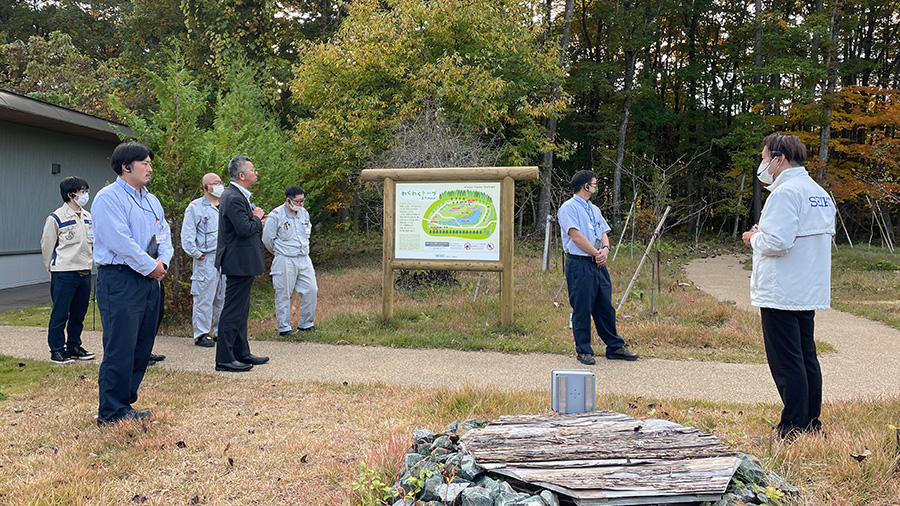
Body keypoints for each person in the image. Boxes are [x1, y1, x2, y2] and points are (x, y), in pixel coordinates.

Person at [742, 133, 835, 442]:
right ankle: (811, 422)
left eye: (765, 157)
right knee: (806, 356)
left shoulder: (785, 193)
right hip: (807, 287)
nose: (763, 163)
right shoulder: (817, 192)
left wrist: (753, 237)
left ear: (779, 159)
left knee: (786, 360)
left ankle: (792, 426)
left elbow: (777, 241)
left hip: (782, 289)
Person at [92, 142, 173, 425]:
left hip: (150, 279)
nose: (150, 168)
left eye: (151, 163)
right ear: (126, 167)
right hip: (121, 279)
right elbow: (120, 241)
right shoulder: (108, 198)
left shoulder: (151, 200)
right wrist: (150, 266)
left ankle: (125, 402)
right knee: (120, 345)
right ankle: (111, 411)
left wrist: (162, 262)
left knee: (142, 345)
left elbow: (164, 233)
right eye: (145, 163)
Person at [557, 170, 639, 365]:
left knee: (605, 307)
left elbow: (603, 232)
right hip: (580, 263)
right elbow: (575, 236)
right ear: (586, 186)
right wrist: (596, 253)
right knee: (582, 307)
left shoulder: (594, 209)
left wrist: (605, 250)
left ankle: (615, 346)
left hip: (598, 263)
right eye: (594, 184)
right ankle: (584, 350)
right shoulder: (568, 208)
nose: (596, 187)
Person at [215, 156, 270, 372]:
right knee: (232, 310)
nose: (256, 173)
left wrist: (256, 221)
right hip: (237, 262)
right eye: (253, 169)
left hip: (242, 261)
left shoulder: (237, 196)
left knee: (241, 309)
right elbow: (244, 229)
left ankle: (241, 352)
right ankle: (224, 358)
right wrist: (257, 218)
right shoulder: (234, 197)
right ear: (241, 175)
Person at [40, 176, 96, 364]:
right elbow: (47, 244)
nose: (85, 194)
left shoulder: (88, 217)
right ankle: (56, 349)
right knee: (60, 313)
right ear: (71, 194)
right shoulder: (56, 217)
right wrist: (50, 267)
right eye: (82, 191)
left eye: (86, 190)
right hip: (64, 271)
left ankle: (74, 346)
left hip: (84, 271)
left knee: (79, 313)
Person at [263, 185, 318, 336]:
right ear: (288, 200)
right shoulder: (275, 215)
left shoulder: (304, 213)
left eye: (302, 201)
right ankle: (284, 327)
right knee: (283, 293)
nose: (301, 204)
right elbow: (267, 239)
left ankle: (306, 324)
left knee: (311, 290)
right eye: (298, 201)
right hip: (285, 259)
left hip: (303, 257)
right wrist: (280, 252)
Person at [181, 173, 227, 347]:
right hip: (206, 258)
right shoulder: (195, 207)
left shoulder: (224, 205)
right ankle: (201, 333)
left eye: (220, 182)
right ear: (206, 187)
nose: (220, 185)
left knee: (222, 296)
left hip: (224, 257)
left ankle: (219, 331)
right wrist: (195, 252)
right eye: (215, 183)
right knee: (204, 297)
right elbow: (187, 235)